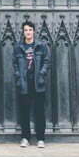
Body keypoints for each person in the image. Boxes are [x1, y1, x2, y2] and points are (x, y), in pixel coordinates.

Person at [12, 20, 50, 148]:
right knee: (24, 112)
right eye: (26, 30)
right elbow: (15, 64)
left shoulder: (41, 46)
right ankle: (25, 138)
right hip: (24, 83)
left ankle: (40, 138)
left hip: (38, 83)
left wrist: (42, 74)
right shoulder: (18, 47)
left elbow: (46, 61)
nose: (28, 32)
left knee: (39, 112)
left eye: (30, 30)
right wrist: (18, 76)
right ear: (23, 32)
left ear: (34, 31)